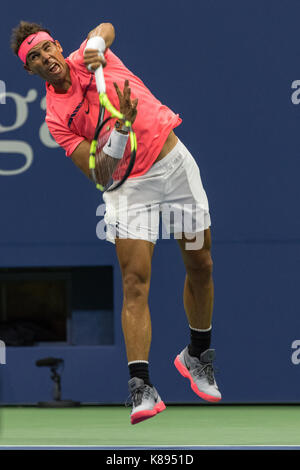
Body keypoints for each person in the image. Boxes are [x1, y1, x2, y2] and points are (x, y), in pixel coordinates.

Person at [11, 20, 222, 424]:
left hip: (174, 165)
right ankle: (141, 386)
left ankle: (196, 355)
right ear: (30, 70)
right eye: (33, 58)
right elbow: (99, 172)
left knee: (201, 262)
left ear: (57, 45)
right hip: (129, 190)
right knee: (134, 280)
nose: (44, 58)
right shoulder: (57, 118)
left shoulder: (92, 59)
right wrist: (121, 129)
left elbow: (106, 28)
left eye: (45, 48)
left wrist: (95, 42)